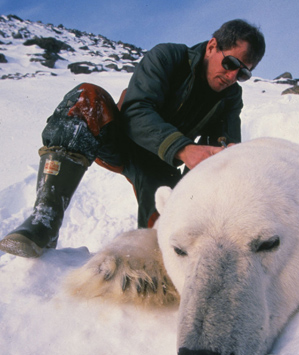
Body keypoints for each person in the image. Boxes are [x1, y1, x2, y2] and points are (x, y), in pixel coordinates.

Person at [0, 19, 265, 258]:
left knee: (167, 243)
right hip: (122, 140)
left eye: (242, 73)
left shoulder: (230, 97)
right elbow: (136, 111)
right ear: (212, 46)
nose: (232, 77)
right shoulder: (169, 57)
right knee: (86, 98)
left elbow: (223, 152)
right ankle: (44, 221)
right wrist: (184, 149)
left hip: (159, 166)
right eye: (230, 63)